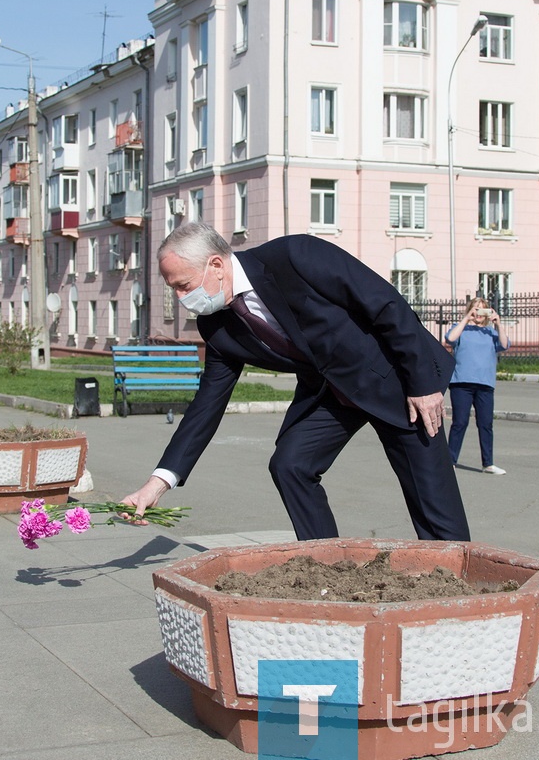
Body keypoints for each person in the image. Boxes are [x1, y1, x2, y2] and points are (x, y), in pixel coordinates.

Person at [120, 223, 470, 541]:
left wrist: (423, 385)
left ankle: (460, 582)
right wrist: (159, 482)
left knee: (431, 498)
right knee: (291, 464)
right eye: (174, 290)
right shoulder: (217, 326)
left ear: (215, 265)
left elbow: (385, 304)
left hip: (397, 380)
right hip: (332, 393)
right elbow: (207, 404)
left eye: (184, 285)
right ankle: (325, 562)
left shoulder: (295, 256)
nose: (182, 299)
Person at [445, 297, 510, 475]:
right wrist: (466, 319)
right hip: (461, 384)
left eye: (483, 310)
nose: (479, 313)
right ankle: (450, 461)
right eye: (476, 309)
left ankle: (488, 463)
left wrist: (498, 324)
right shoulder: (462, 329)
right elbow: (450, 339)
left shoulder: (491, 332)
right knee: (460, 422)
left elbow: (504, 345)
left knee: (486, 424)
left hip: (485, 384)